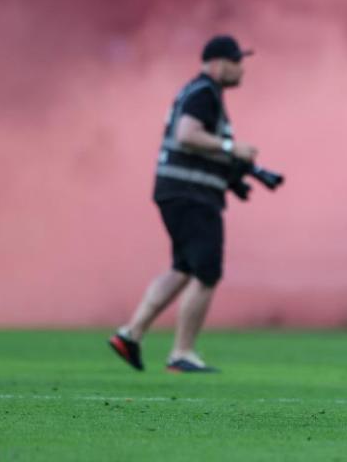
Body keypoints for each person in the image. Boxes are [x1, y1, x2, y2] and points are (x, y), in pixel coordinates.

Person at [108, 35, 258, 372]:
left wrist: (231, 176)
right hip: (192, 195)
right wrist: (233, 149)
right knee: (206, 272)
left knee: (183, 268)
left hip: (176, 191)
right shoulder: (204, 92)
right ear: (219, 63)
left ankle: (130, 334)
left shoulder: (198, 92)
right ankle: (182, 353)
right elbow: (186, 135)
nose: (242, 70)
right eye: (237, 62)